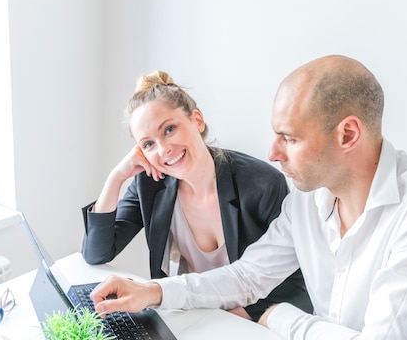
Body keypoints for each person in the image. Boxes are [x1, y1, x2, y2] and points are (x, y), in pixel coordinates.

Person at [90, 56, 407, 340]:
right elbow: (247, 275)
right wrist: (155, 292)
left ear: (347, 134)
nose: (272, 152)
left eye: (289, 137)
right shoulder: (308, 200)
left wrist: (279, 316)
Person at [81, 70, 312, 322]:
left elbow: (298, 279)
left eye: (169, 129)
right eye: (148, 144)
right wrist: (116, 177)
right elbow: (97, 252)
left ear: (197, 121)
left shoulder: (262, 183)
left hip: (245, 320)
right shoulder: (151, 183)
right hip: (187, 313)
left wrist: (240, 316)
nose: (163, 149)